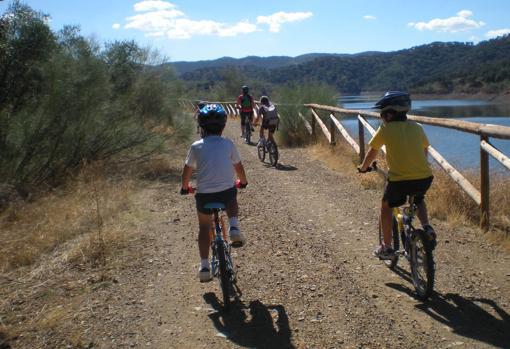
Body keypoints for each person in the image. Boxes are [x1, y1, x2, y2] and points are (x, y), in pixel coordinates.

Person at [358, 91, 436, 259]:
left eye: (382, 114)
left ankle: (386, 248)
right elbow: (425, 150)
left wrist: (363, 168)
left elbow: (372, 152)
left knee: (386, 207)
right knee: (419, 198)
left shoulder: (385, 129)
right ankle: (427, 227)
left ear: (389, 114)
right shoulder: (417, 127)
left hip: (399, 180)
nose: (381, 118)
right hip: (424, 176)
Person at [180, 104, 248, 282]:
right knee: (231, 196)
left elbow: (187, 170)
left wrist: (185, 187)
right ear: (224, 125)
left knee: (204, 227)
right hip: (225, 194)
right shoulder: (228, 144)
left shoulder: (196, 146)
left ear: (201, 126)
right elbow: (238, 167)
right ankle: (233, 226)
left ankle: (204, 266)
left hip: (204, 196)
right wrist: (243, 181)